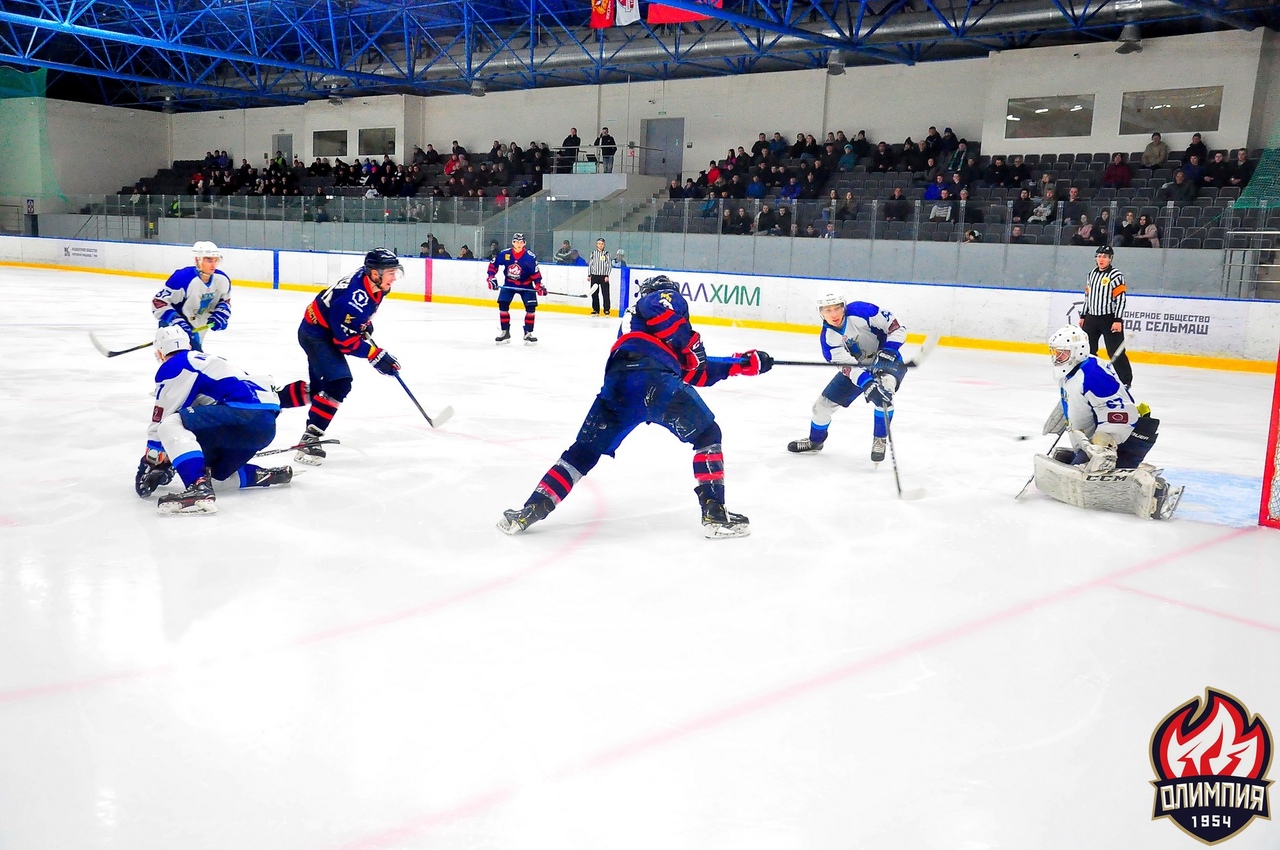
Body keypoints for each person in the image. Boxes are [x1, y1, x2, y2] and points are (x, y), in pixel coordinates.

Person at [496, 274, 774, 539]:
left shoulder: (646, 327)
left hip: (619, 384)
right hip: (656, 381)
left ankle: (530, 510)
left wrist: (744, 364)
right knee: (707, 435)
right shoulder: (662, 298)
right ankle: (715, 515)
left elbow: (691, 370)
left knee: (582, 453)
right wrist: (691, 341)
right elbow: (665, 318)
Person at [136, 326, 301, 515]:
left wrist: (150, 463)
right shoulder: (210, 362)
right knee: (212, 477)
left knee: (171, 424)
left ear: (159, 352)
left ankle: (198, 489)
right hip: (264, 425)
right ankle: (263, 475)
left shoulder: (175, 364)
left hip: (240, 416)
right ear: (188, 345)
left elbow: (162, 421)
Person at [1035, 326, 1182, 520]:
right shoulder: (1075, 370)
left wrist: (1105, 444)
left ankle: (1159, 491)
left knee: (1093, 479)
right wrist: (1065, 413)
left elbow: (1122, 413)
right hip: (1093, 444)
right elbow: (1079, 398)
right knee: (1072, 464)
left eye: (1062, 353)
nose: (1056, 357)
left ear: (1078, 351)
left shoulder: (1092, 373)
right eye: (1055, 352)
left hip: (1124, 441)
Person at [293, 248, 404, 465]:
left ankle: (272, 400)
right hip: (316, 334)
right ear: (374, 273)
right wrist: (374, 354)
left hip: (322, 329)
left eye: (395, 272)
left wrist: (362, 325)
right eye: (389, 272)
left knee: (319, 392)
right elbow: (344, 343)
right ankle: (309, 441)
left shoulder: (376, 284)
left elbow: (351, 317)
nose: (394, 277)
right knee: (339, 383)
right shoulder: (354, 298)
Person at [786, 293, 908, 463]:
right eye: (828, 310)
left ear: (844, 306)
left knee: (885, 395)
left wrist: (889, 350)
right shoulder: (828, 340)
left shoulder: (862, 311)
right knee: (820, 408)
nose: (834, 314)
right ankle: (815, 441)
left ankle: (879, 440)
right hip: (859, 367)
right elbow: (850, 368)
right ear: (821, 313)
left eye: (837, 308)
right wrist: (867, 384)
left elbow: (897, 328)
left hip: (888, 362)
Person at [151, 241, 232, 352]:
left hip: (198, 324)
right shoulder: (182, 278)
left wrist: (221, 314)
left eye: (216, 260)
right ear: (197, 260)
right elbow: (158, 303)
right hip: (174, 327)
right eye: (209, 260)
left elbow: (225, 301)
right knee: (185, 361)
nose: (213, 265)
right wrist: (176, 320)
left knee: (193, 358)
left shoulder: (222, 279)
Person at [1078, 245, 1133, 387]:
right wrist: (1083, 315)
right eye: (1099, 256)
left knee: (1115, 351)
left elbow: (1121, 298)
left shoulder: (1116, 275)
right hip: (1091, 317)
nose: (1101, 259)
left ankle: (1125, 381)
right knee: (1088, 351)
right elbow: (1087, 296)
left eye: (1105, 256)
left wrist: (1118, 319)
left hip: (1109, 318)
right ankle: (1092, 377)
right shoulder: (1091, 274)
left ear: (1110, 259)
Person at [487, 232, 545, 344]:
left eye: (521, 242)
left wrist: (538, 285)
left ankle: (528, 332)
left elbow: (535, 272)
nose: (519, 244)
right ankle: (505, 332)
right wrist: (491, 277)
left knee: (531, 308)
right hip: (509, 284)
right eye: (516, 242)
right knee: (503, 305)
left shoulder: (530, 257)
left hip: (526, 285)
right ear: (513, 242)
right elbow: (493, 265)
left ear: (524, 243)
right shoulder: (505, 254)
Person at [587, 237, 613, 316]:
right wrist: (589, 274)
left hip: (603, 276)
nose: (600, 245)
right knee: (594, 293)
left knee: (605, 294)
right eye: (599, 244)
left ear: (604, 245)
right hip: (594, 276)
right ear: (596, 244)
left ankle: (606, 310)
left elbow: (609, 265)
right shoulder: (593, 253)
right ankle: (595, 310)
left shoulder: (606, 254)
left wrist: (607, 275)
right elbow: (590, 264)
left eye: (602, 244)